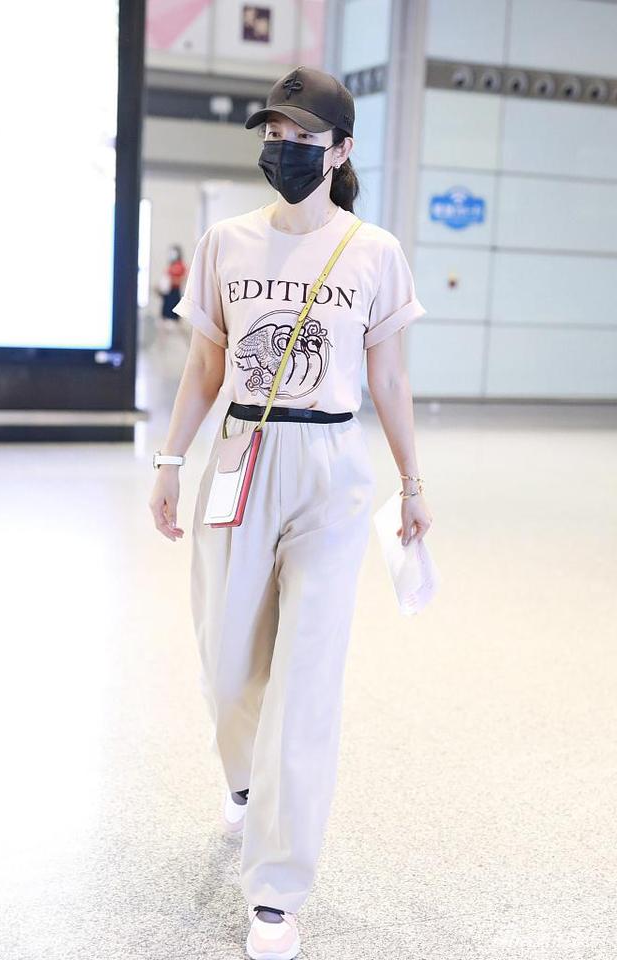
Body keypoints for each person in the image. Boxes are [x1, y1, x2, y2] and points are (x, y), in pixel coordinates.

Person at [148, 65, 433, 960]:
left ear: (340, 151)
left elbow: (389, 378)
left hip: (331, 470)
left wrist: (412, 483)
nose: (285, 150)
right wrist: (169, 460)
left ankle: (276, 892)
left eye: (303, 138)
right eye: (274, 134)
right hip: (240, 453)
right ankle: (243, 781)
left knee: (306, 680)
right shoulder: (227, 242)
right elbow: (205, 365)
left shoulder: (375, 252)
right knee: (228, 665)